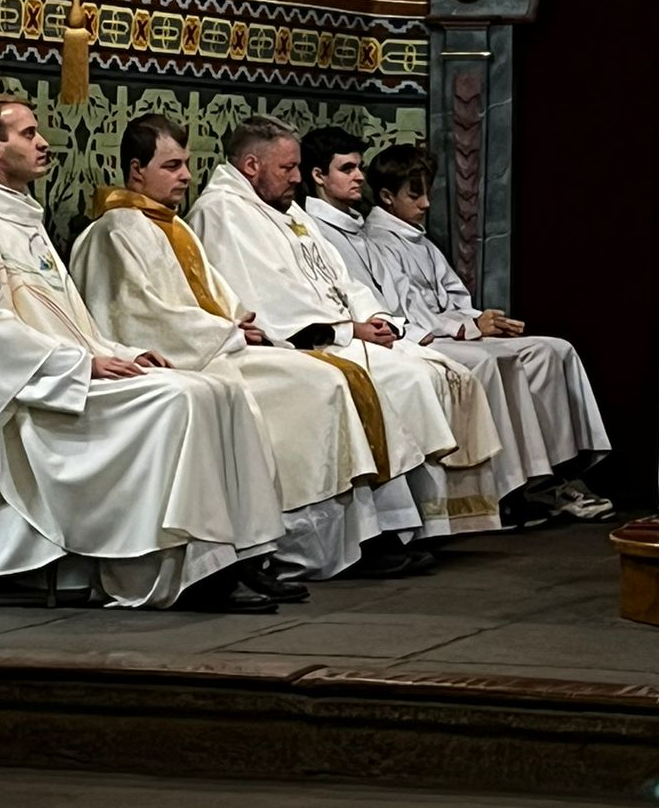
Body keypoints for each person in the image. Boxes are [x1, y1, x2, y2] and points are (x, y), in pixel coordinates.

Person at [0, 98, 285, 611]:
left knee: (215, 388)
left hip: (68, 369)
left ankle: (240, 554)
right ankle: (186, 572)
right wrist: (79, 364)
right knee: (182, 399)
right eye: (28, 134)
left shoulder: (23, 217)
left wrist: (120, 350)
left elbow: (75, 319)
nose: (44, 143)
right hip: (33, 389)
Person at [71, 113, 380, 583]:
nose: (186, 176)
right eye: (172, 166)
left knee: (323, 379)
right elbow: (141, 315)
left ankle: (303, 545)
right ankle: (259, 550)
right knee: (305, 389)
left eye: (187, 164)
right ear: (136, 170)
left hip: (216, 347)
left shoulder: (170, 226)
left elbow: (214, 292)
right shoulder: (115, 231)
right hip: (179, 357)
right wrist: (229, 332)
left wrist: (239, 320)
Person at [187, 118, 501, 570]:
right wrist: (346, 331)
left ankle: (408, 525)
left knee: (427, 368)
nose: (297, 177)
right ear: (251, 165)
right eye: (288, 167)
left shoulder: (286, 209)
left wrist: (370, 316)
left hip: (337, 332)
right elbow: (270, 300)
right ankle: (372, 536)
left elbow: (339, 277)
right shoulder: (224, 212)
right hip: (297, 344)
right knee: (391, 381)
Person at [300, 128, 606, 526]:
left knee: (552, 349)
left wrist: (471, 322)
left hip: (407, 329)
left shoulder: (367, 230)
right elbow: (393, 305)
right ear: (319, 175)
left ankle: (557, 471)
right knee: (485, 364)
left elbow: (438, 295)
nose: (358, 176)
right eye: (348, 168)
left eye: (360, 167)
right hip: (388, 337)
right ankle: (511, 487)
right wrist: (461, 328)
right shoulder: (333, 230)